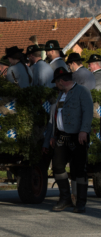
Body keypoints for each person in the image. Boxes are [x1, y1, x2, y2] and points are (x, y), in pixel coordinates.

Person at [43, 67, 93, 213]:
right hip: (61, 137)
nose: (56, 85)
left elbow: (88, 112)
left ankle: (80, 202)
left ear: (61, 81)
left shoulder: (82, 92)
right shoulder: (60, 95)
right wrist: (52, 136)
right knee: (58, 167)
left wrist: (84, 130)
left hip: (78, 136)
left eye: (57, 83)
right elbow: (55, 118)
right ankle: (65, 198)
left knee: (78, 170)